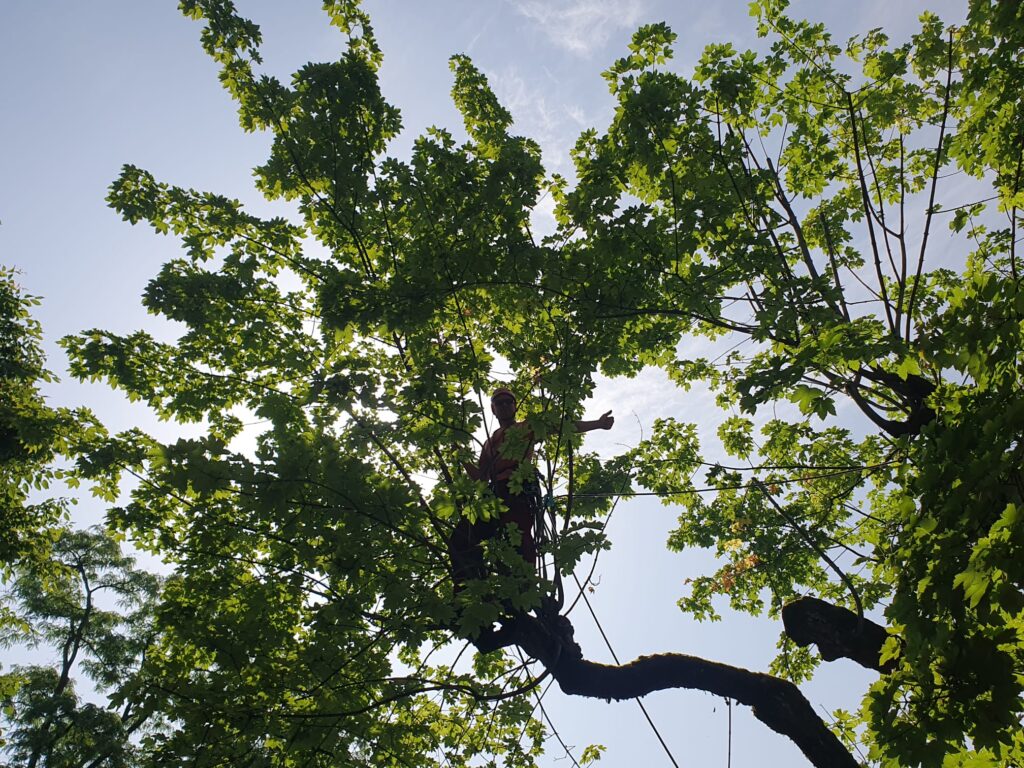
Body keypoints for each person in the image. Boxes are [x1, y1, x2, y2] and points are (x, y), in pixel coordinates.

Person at [448, 387, 613, 588]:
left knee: (519, 539)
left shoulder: (526, 427)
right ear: (493, 409)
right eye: (499, 403)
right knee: (462, 538)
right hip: (493, 495)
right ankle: (470, 590)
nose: (504, 406)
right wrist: (462, 458)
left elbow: (562, 426)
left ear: (515, 406)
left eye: (509, 402)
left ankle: (524, 586)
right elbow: (481, 478)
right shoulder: (489, 443)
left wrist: (597, 424)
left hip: (518, 488)